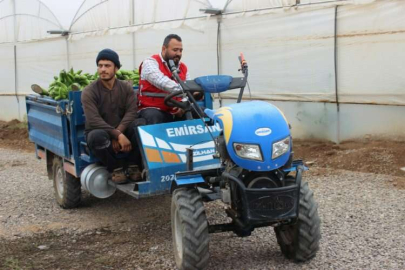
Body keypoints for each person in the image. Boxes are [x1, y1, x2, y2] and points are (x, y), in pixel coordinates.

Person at [82, 48, 144, 184]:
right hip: (100, 131)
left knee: (141, 124)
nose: (103, 69)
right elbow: (93, 120)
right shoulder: (89, 91)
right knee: (95, 137)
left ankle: (133, 165)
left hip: (122, 130)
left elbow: (131, 112)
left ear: (116, 68)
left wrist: (119, 133)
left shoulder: (126, 87)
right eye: (100, 65)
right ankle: (115, 168)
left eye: (107, 65)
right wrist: (117, 135)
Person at [138, 34, 202, 125]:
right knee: (154, 116)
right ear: (164, 49)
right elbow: (162, 82)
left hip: (175, 109)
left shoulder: (183, 67)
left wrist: (184, 105)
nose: (179, 54)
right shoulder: (150, 62)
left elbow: (188, 89)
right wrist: (189, 90)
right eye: (175, 50)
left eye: (181, 50)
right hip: (153, 108)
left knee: (202, 113)